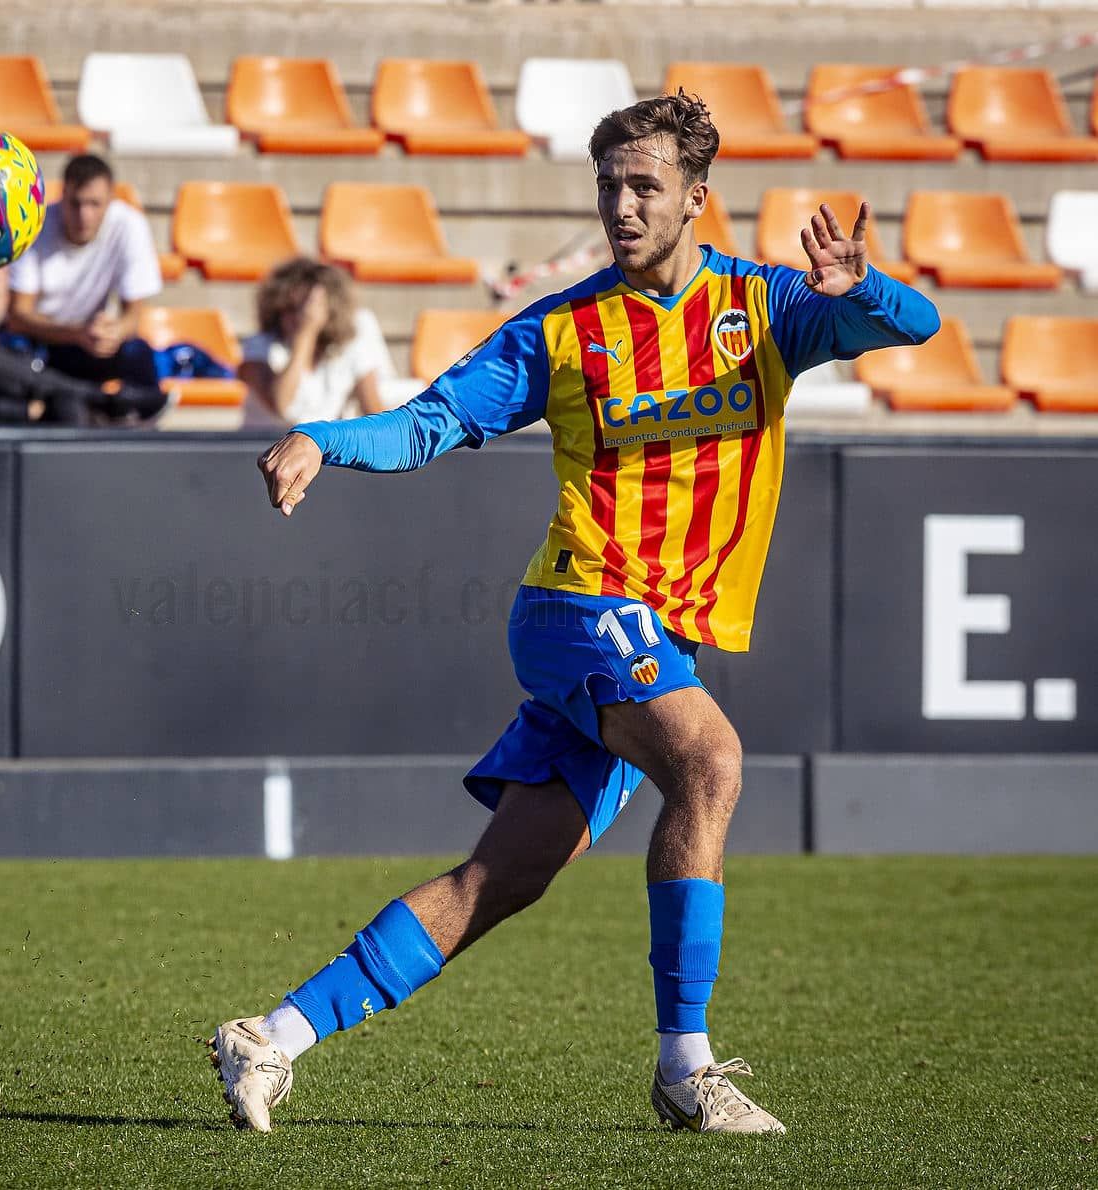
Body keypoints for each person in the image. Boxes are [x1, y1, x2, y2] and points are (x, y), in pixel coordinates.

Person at [213, 92, 940, 1134]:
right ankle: (686, 1067)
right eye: (609, 185)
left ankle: (271, 1035)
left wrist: (862, 288)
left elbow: (915, 325)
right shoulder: (563, 329)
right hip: (581, 602)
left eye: (645, 185)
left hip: (657, 633)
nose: (623, 205)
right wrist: (323, 438)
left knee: (503, 875)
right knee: (711, 762)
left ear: (697, 197)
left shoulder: (769, 306)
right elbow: (429, 422)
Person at [0, 268, 168, 426]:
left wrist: (34, 408)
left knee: (66, 404)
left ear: (6, 303)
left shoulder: (17, 353)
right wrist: (25, 410)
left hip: (12, 462)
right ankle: (104, 399)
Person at [7, 154, 162, 393]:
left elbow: (133, 317)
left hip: (90, 342)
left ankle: (133, 414)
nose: (84, 215)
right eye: (76, 203)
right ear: (63, 197)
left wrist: (111, 333)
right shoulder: (35, 227)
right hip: (41, 342)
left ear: (110, 200)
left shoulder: (130, 225)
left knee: (139, 354)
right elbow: (18, 316)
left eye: (94, 204)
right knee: (9, 353)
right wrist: (77, 333)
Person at [239, 258, 392, 429]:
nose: (299, 316)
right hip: (266, 443)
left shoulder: (351, 348)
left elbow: (375, 414)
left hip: (323, 444)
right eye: (290, 308)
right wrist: (305, 333)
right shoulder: (259, 347)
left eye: (305, 308)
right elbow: (281, 405)